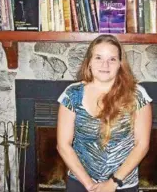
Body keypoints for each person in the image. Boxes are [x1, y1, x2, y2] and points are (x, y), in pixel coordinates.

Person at [57, 34, 152, 192]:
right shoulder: (72, 94)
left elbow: (142, 145)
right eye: (99, 58)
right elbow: (63, 145)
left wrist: (112, 183)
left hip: (122, 183)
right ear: (89, 62)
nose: (105, 65)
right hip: (81, 181)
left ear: (120, 64)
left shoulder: (137, 95)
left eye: (112, 59)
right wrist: (90, 185)